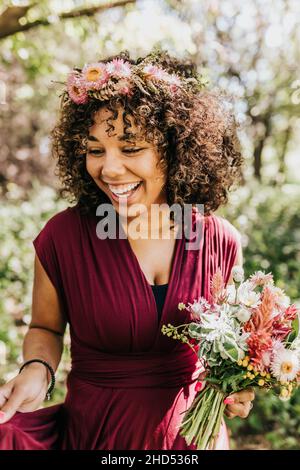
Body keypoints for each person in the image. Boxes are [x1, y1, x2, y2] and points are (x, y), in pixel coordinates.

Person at [0, 49, 255, 450]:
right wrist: (37, 369)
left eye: (131, 148)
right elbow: (46, 327)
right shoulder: (62, 237)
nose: (109, 169)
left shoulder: (219, 241)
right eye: (96, 150)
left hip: (194, 443)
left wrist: (240, 386)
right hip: (97, 435)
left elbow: (228, 352)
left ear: (176, 150)